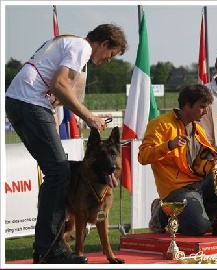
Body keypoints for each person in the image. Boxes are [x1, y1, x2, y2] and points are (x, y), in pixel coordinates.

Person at [5, 23, 128, 264]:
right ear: (103, 44)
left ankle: (46, 248)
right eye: (111, 54)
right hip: (28, 102)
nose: (108, 60)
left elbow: (55, 88)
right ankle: (50, 248)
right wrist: (89, 117)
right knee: (59, 172)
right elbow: (59, 85)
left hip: (19, 101)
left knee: (56, 172)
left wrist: (87, 114)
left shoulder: (70, 43)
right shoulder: (81, 46)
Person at [138, 84, 217, 236]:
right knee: (199, 228)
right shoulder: (160, 125)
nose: (205, 112)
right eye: (202, 107)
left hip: (199, 184)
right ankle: (162, 212)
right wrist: (169, 145)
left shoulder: (198, 129)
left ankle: (194, 212)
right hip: (176, 189)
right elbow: (143, 156)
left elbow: (202, 161)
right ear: (187, 105)